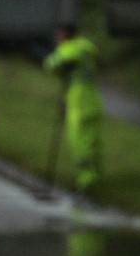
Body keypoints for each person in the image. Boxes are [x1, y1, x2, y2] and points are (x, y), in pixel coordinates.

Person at [43, 22, 106, 191]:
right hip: (94, 101)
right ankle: (96, 177)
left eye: (59, 35)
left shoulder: (69, 48)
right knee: (94, 142)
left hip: (79, 104)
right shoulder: (86, 46)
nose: (58, 39)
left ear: (64, 34)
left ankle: (86, 181)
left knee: (80, 143)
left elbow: (52, 64)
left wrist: (58, 63)